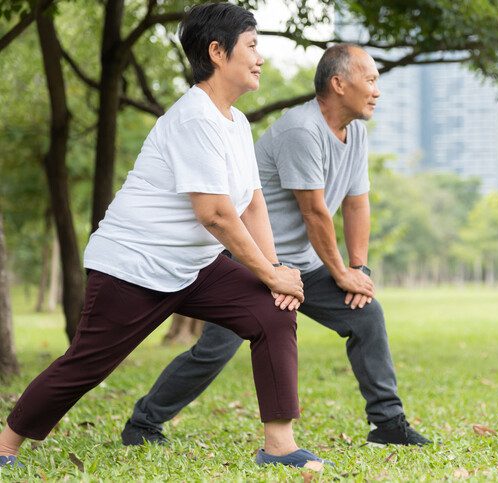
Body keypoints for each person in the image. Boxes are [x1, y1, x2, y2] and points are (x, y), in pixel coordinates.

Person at [0, 2, 329, 471]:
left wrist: (274, 273)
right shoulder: (194, 118)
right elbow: (215, 214)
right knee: (88, 364)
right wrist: (271, 273)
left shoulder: (235, 124)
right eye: (252, 46)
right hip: (135, 263)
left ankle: (279, 446)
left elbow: (252, 203)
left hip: (194, 264)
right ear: (218, 52)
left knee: (270, 313)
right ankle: (5, 444)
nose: (260, 57)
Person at [121, 43, 431, 448]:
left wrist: (359, 269)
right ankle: (143, 424)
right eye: (370, 80)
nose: (377, 90)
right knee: (216, 349)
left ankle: (388, 425)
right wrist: (341, 274)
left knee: (366, 316)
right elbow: (315, 212)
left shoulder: (355, 132)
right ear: (339, 84)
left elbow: (357, 203)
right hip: (255, 261)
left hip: (305, 264)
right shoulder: (301, 129)